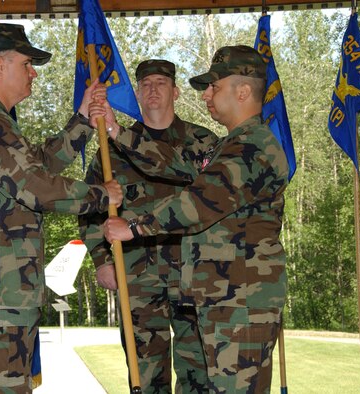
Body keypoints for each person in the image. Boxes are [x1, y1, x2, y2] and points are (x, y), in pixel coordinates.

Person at [97, 46, 290, 393]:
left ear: (243, 91)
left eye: (214, 87)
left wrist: (133, 227)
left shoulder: (252, 148)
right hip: (226, 300)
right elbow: (176, 163)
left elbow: (199, 203)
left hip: (242, 304)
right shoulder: (231, 145)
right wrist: (116, 131)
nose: (206, 96)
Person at [0, 22, 122, 394]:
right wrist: (103, 196)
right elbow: (37, 187)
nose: (33, 72)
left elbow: (35, 166)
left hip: (4, 289)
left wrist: (83, 122)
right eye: (26, 63)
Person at [79, 60, 217, 393]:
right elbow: (89, 207)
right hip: (138, 278)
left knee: (199, 374)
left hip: (193, 274)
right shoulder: (111, 150)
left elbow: (216, 200)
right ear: (138, 94)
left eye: (161, 83)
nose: (152, 89)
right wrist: (101, 259)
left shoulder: (201, 141)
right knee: (145, 375)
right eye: (146, 84)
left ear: (176, 92)